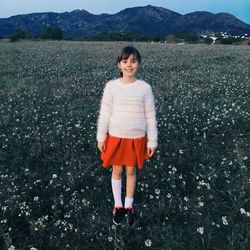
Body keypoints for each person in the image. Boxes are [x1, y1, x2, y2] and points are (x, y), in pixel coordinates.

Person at [96, 46, 158, 227]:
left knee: (131, 171)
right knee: (116, 171)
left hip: (136, 139)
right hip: (115, 137)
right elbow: (105, 113)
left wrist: (152, 140)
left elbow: (150, 116)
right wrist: (101, 137)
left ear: (138, 64)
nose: (129, 65)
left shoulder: (145, 88)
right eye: (125, 61)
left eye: (133, 61)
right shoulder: (111, 87)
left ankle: (129, 206)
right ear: (119, 64)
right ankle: (118, 205)